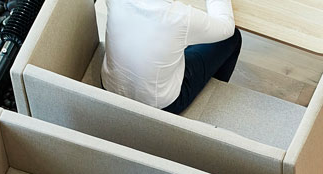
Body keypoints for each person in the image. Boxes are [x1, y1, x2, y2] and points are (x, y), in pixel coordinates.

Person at [98, 0, 242, 115]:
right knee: (232, 38)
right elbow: (226, 27)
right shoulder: (182, 17)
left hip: (109, 87)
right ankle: (212, 90)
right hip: (160, 106)